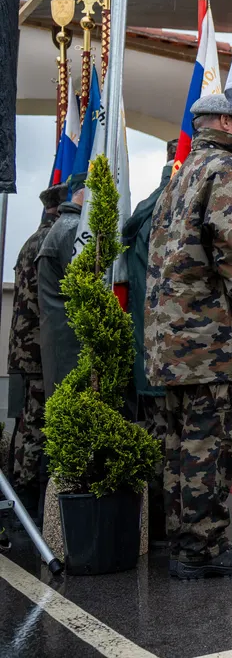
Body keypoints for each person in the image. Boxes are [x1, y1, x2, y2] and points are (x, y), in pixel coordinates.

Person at [145, 93, 232, 580]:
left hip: (173, 338)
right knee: (210, 443)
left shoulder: (182, 174)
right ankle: (204, 549)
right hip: (210, 336)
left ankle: (184, 542)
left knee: (181, 444)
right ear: (224, 121)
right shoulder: (227, 168)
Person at [122, 138, 176, 544]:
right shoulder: (174, 206)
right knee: (173, 442)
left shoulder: (143, 209)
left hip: (146, 347)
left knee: (153, 438)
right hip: (174, 350)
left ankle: (153, 524)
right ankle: (167, 527)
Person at [9, 183, 67, 518]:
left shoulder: (31, 241)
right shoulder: (49, 242)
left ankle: (21, 503)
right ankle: (26, 506)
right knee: (34, 430)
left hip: (23, 350)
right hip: (38, 353)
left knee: (26, 427)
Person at [37, 183, 85, 401]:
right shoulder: (73, 229)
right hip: (69, 341)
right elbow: (84, 288)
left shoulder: (62, 225)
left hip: (59, 335)